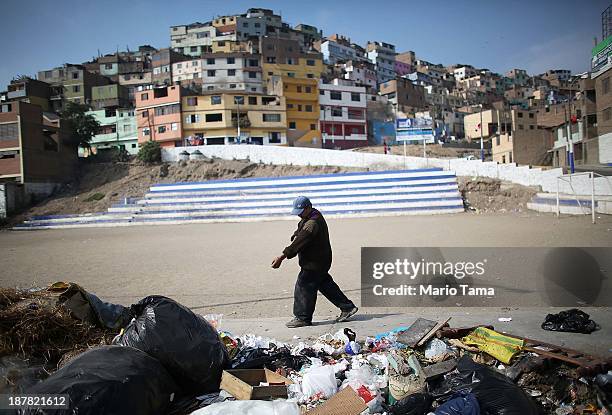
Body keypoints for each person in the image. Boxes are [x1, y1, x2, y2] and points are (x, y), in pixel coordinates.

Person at [271, 196, 358, 328]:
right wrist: (296, 233)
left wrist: (281, 257)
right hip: (321, 260)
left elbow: (299, 243)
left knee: (303, 285)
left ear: (308, 208)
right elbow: (301, 228)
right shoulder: (312, 215)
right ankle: (347, 307)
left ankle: (302, 317)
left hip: (314, 262)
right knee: (325, 284)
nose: (298, 215)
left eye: (300, 211)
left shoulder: (313, 223)